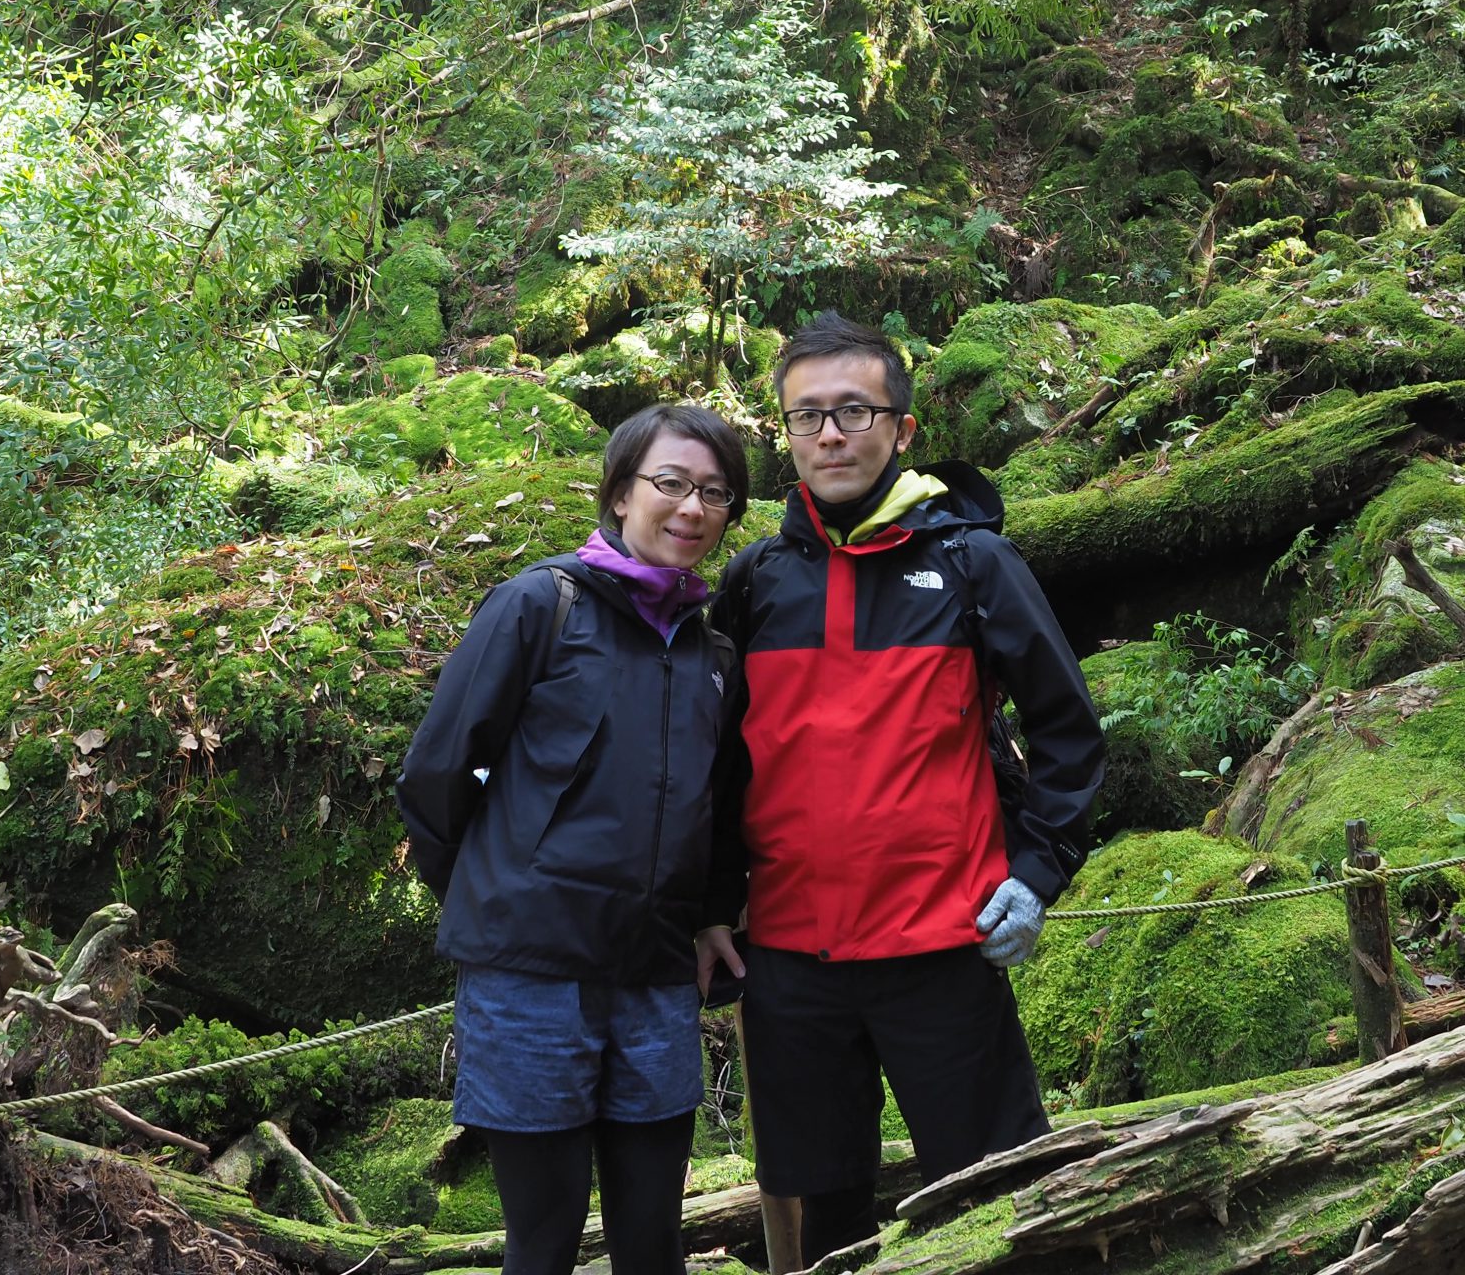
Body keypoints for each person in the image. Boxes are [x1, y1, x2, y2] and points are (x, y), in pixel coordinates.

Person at [701, 313, 1103, 1264]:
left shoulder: (973, 562)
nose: (830, 436)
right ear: (784, 434)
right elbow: (719, 763)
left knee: (995, 1199)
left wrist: (1037, 874)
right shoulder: (756, 579)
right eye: (806, 418)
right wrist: (713, 906)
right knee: (826, 1214)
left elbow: (1066, 727)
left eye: (853, 411)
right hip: (790, 963)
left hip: (945, 945)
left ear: (903, 429)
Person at [396, 404, 753, 1275]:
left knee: (651, 1240)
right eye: (670, 483)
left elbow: (720, 803)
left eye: (714, 493)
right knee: (544, 1241)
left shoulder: (714, 656)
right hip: (530, 979)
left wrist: (710, 916)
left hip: (655, 978)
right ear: (621, 492)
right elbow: (438, 775)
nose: (692, 509)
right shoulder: (540, 605)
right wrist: (492, 893)